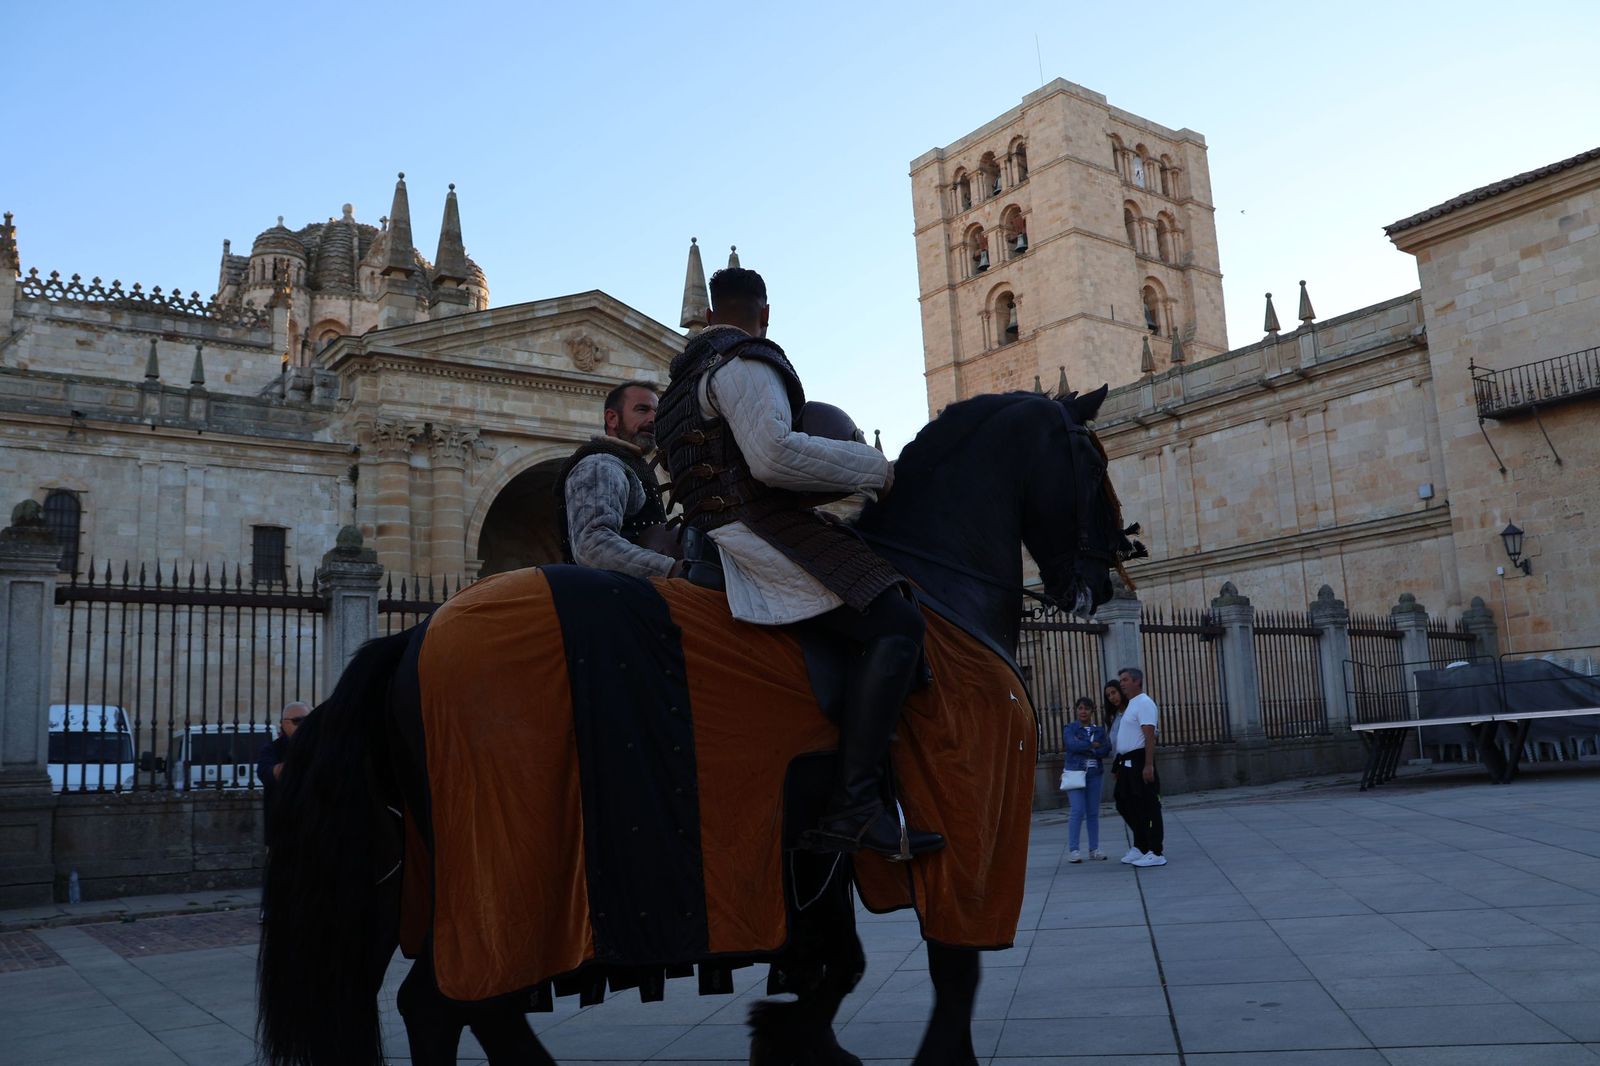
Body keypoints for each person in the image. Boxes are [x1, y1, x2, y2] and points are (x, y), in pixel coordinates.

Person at [654, 266, 942, 861]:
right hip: (755, 531)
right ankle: (856, 806)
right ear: (765, 314)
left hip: (709, 533)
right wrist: (875, 468)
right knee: (897, 622)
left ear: (707, 315)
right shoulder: (744, 362)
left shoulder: (679, 387)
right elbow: (773, 457)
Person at [555, 380, 680, 578]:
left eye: (657, 412)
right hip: (609, 590)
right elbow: (592, 546)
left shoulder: (633, 465)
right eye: (642, 409)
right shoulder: (601, 465)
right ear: (612, 418)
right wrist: (672, 570)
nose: (653, 418)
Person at [256, 701, 310, 921]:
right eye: (297, 721)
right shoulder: (272, 750)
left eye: (307, 721)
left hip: (310, 821)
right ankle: (269, 908)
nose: (303, 726)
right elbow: (268, 773)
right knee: (277, 869)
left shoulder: (319, 747)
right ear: (284, 723)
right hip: (281, 822)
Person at [1114, 667, 1165, 867]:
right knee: (1124, 802)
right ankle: (1141, 844)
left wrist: (1148, 764)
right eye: (1121, 680)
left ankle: (1156, 851)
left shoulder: (1144, 703)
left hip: (1139, 760)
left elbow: (1149, 734)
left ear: (1137, 681)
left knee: (1148, 805)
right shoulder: (1132, 705)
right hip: (1126, 762)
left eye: (1125, 679)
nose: (1122, 683)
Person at [1062, 696, 1112, 862]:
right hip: (1075, 773)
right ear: (1076, 710)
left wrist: (1086, 747)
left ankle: (1094, 849)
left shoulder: (1099, 730)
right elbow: (1071, 745)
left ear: (1092, 711)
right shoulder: (1070, 728)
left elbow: (1106, 749)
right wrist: (1091, 745)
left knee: (1093, 812)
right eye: (1080, 708)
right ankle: (1074, 850)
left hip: (1094, 774)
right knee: (1077, 810)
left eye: (1087, 708)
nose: (1083, 711)